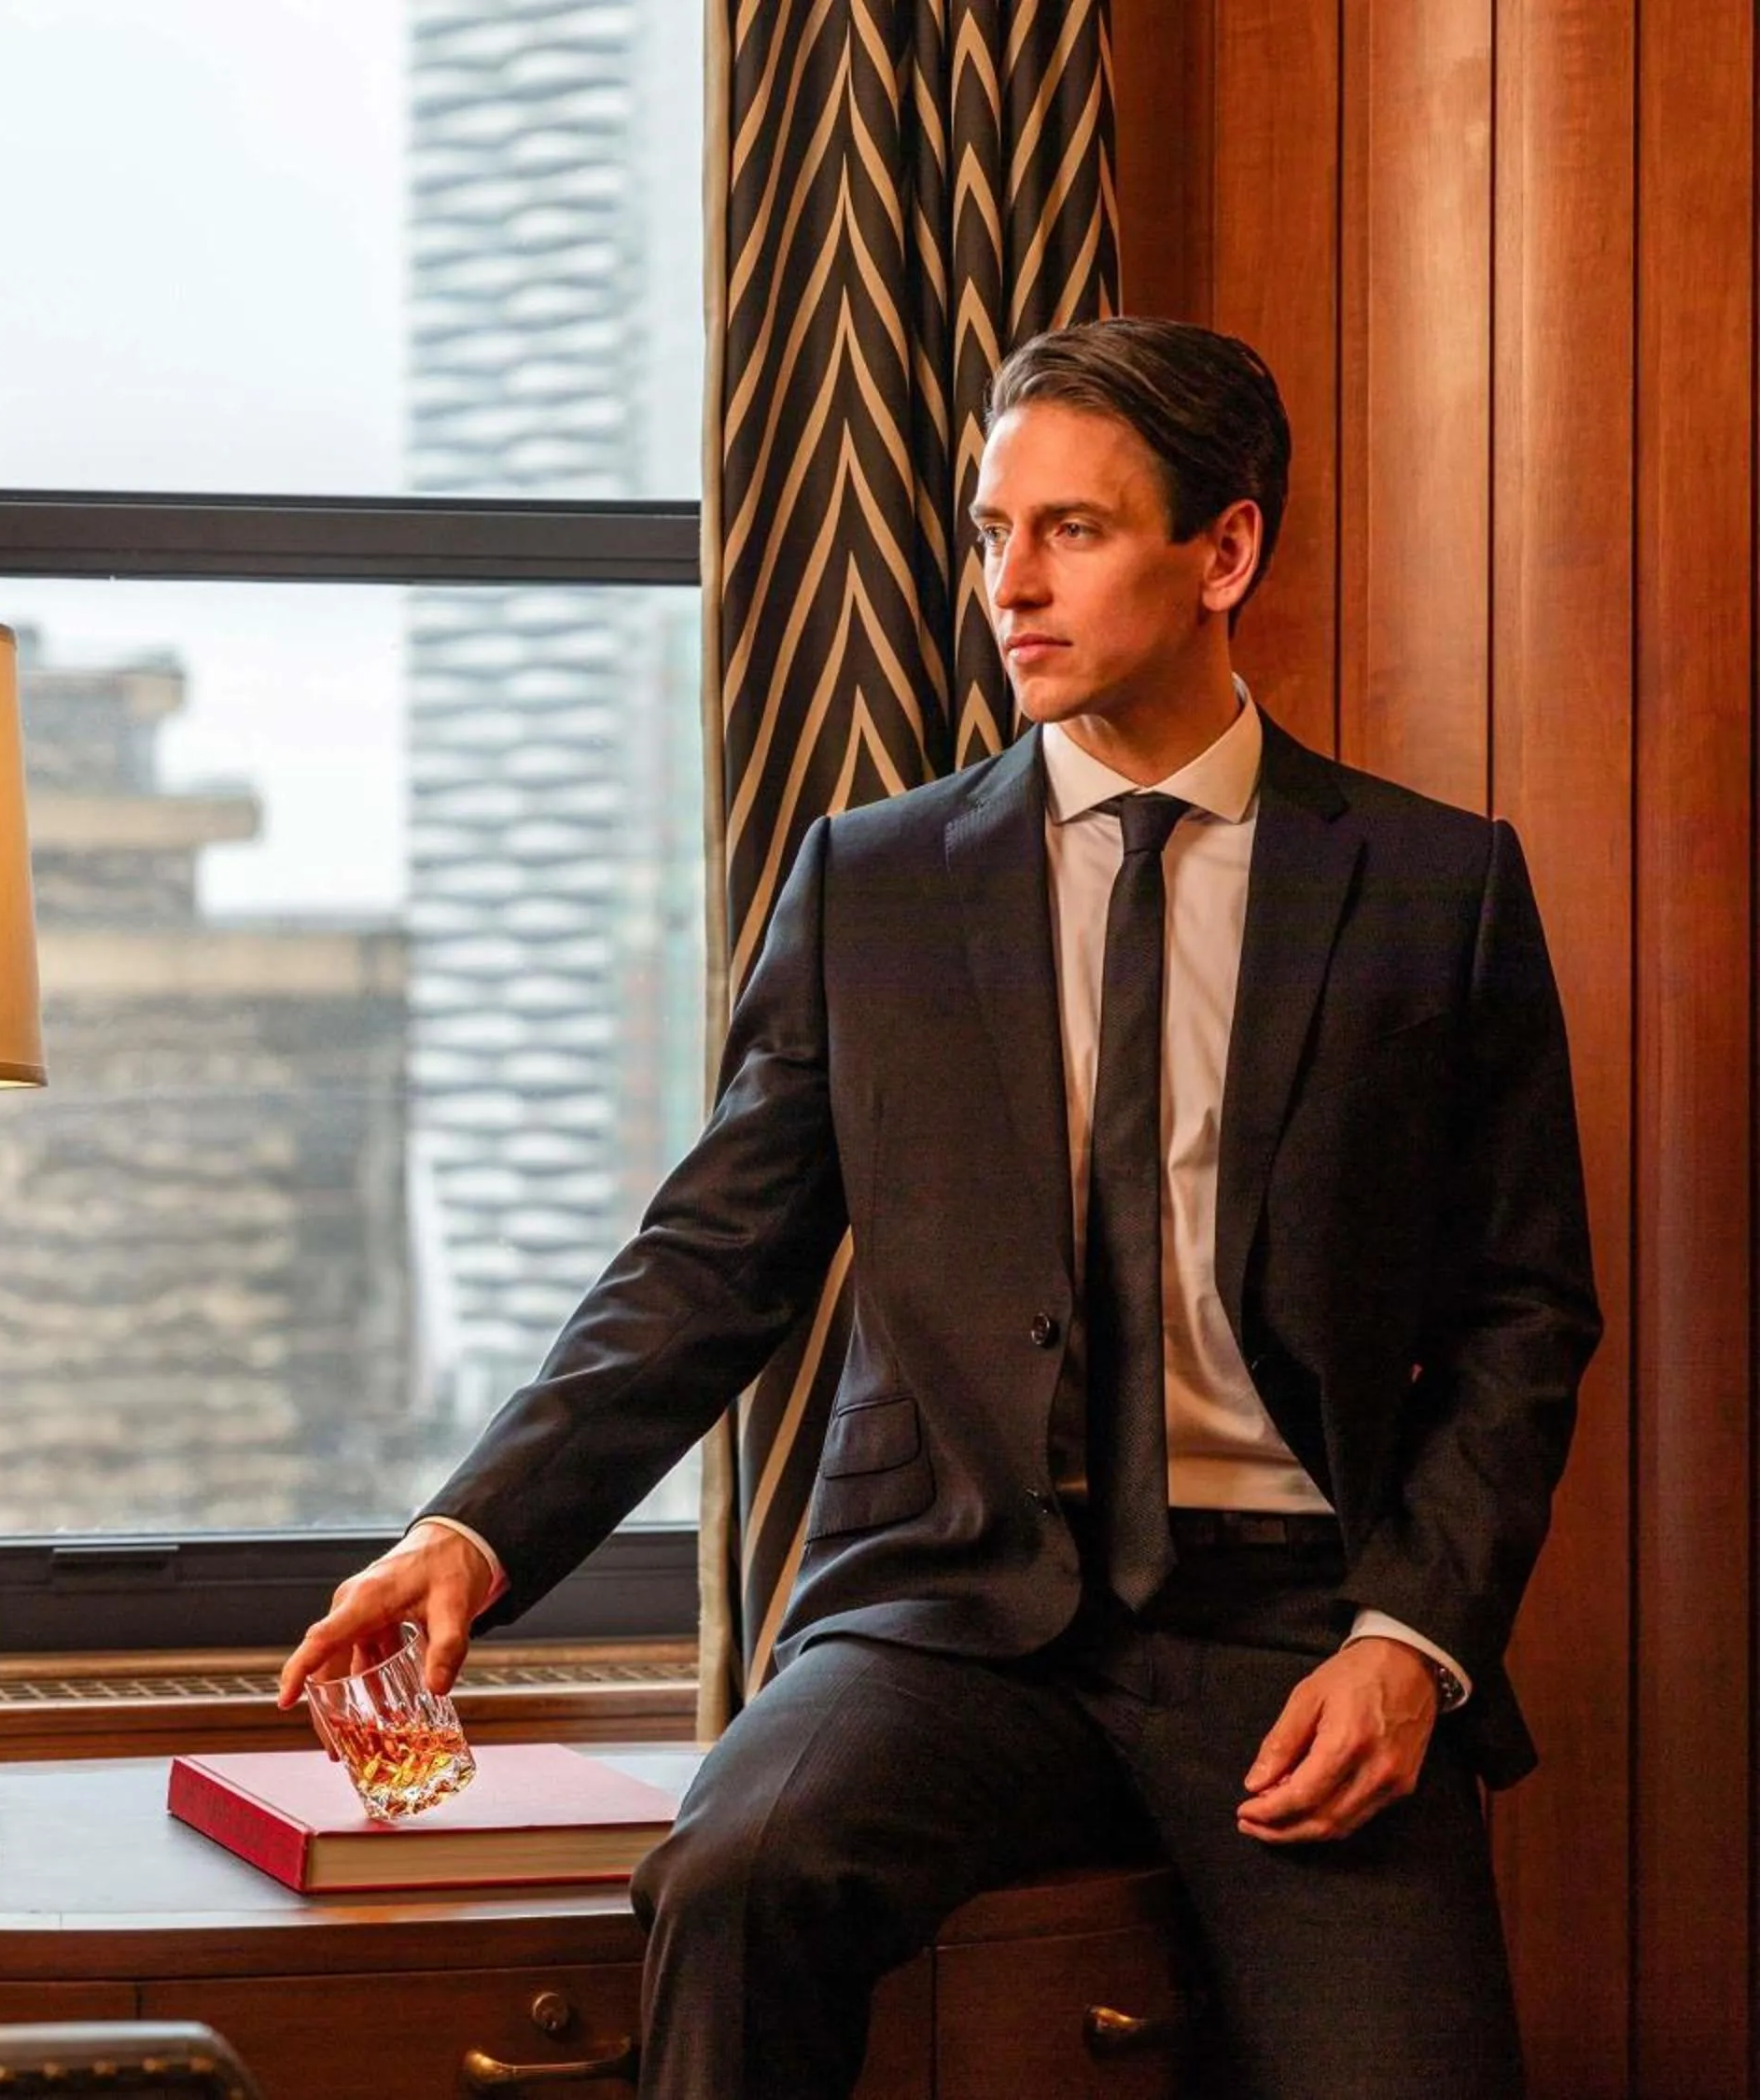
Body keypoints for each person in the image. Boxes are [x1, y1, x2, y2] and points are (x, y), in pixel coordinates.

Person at [278, 316, 1598, 2099]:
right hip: (950, 1612)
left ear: (1225, 552)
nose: (1010, 585)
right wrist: (471, 1533)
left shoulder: (1436, 887)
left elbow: (1524, 1312)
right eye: (992, 532)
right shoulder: (878, 881)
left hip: (1300, 1621)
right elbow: (709, 1261)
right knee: (734, 1876)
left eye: (1071, 531)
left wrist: (1409, 1646)